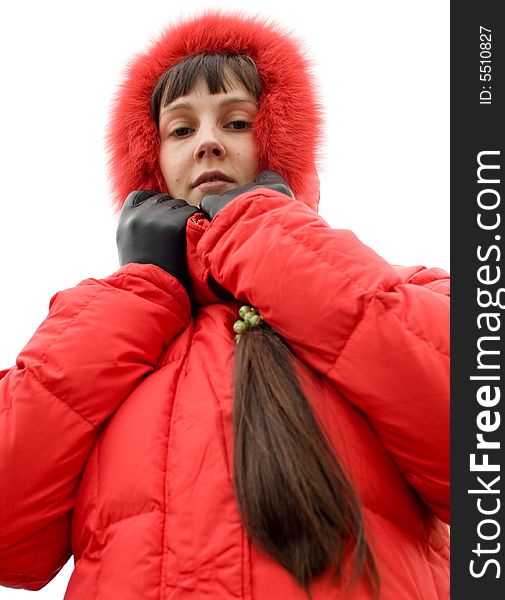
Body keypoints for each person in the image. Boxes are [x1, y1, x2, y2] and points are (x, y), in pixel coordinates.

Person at [0, 11, 449, 599]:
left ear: (278, 144)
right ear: (152, 168)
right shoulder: (109, 329)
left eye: (236, 121)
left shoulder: (407, 289)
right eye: (180, 130)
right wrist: (139, 289)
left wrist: (265, 233)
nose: (208, 141)